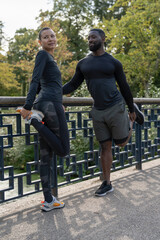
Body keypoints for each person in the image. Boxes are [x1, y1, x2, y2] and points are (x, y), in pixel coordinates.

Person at [63, 28, 144, 197]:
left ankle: (132, 118)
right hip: (98, 111)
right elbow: (72, 85)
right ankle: (106, 183)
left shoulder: (113, 62)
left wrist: (131, 108)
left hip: (116, 106)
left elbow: (124, 87)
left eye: (93, 37)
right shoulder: (83, 63)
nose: (90, 40)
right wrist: (53, 91)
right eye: (88, 38)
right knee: (104, 146)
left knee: (121, 143)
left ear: (103, 39)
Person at [19, 27, 70, 211]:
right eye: (45, 37)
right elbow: (34, 80)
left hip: (48, 104)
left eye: (52, 36)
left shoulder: (50, 59)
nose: (50, 39)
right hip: (48, 105)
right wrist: (27, 106)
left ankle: (48, 200)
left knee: (46, 157)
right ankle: (33, 120)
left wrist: (59, 101)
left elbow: (43, 84)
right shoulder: (42, 55)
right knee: (63, 149)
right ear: (40, 42)